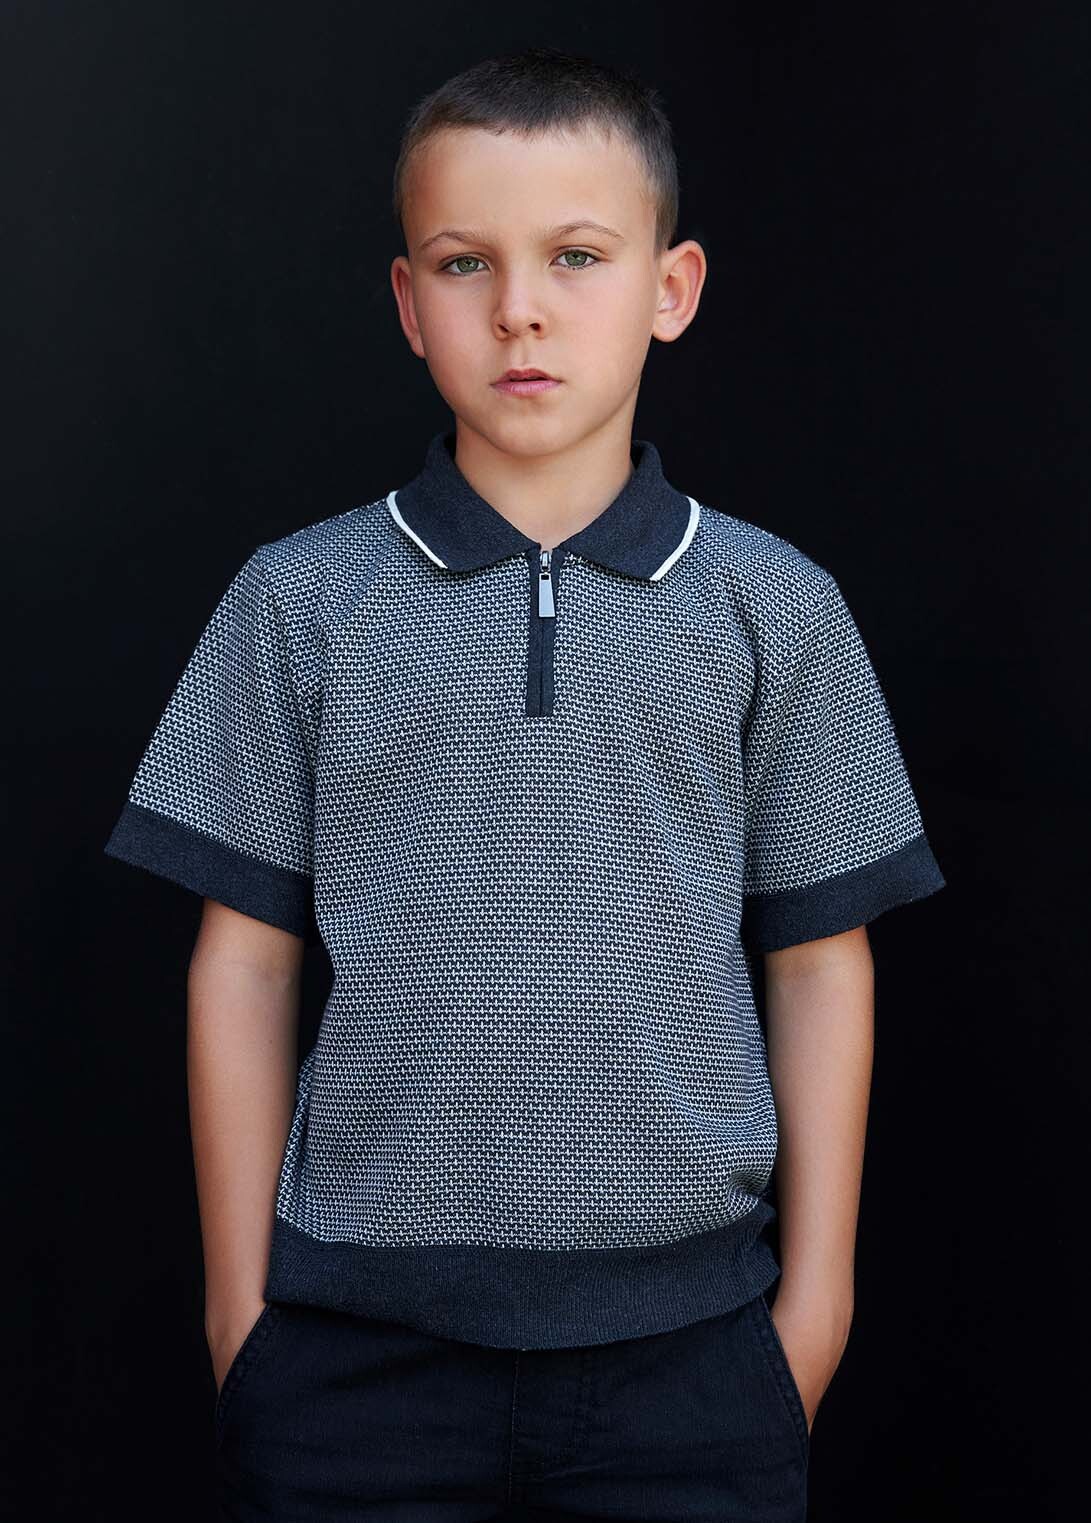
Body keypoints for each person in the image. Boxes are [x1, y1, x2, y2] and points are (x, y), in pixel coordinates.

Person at [103, 43, 946, 1523]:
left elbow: (822, 961)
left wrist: (815, 1312)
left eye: (576, 256)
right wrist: (242, 1320)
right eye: (464, 263)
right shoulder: (298, 599)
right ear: (407, 302)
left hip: (694, 1361)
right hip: (353, 1361)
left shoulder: (775, 603)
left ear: (672, 288)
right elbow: (243, 964)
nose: (521, 310)